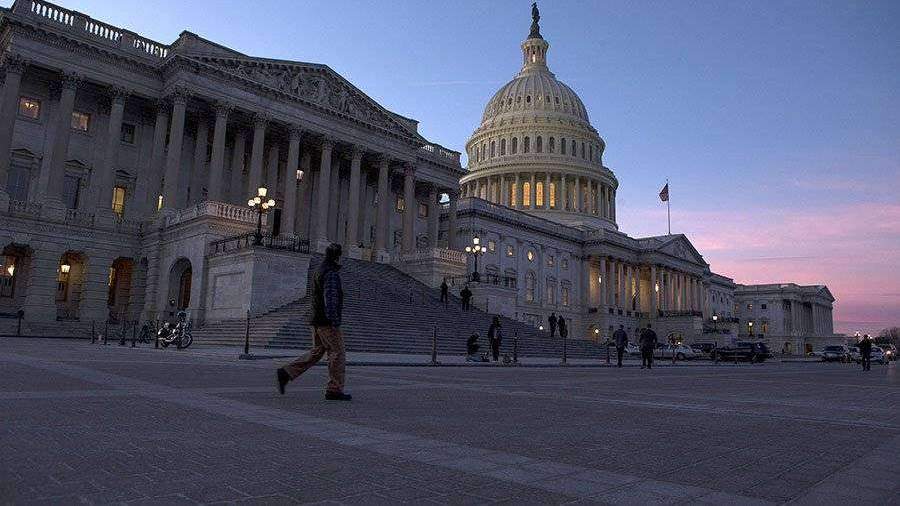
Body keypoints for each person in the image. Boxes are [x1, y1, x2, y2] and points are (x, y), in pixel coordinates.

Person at [276, 243, 351, 401]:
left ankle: (286, 372)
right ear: (337, 257)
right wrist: (334, 321)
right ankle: (334, 389)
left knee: (317, 352)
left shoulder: (319, 270)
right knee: (337, 353)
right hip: (326, 321)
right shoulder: (330, 273)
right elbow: (330, 298)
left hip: (316, 319)